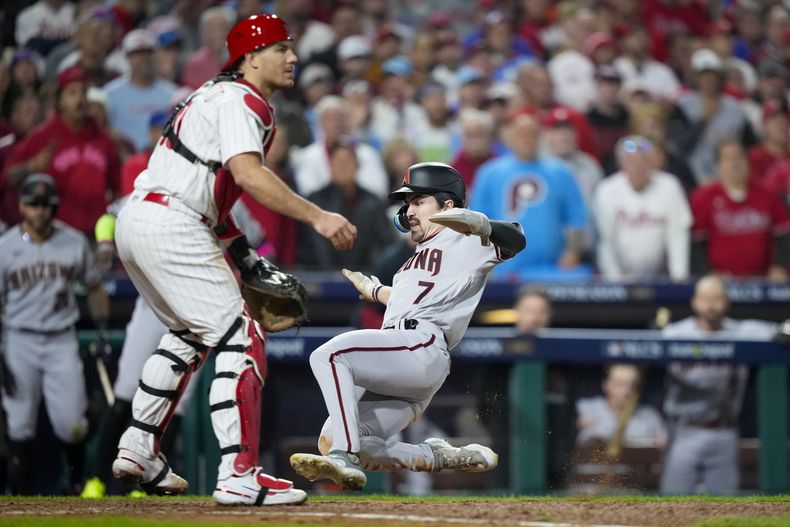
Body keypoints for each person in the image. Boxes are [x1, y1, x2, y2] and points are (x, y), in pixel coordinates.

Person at [110, 14, 357, 506]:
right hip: (174, 223)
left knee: (190, 335)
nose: (292, 58)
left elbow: (216, 191)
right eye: (280, 49)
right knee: (244, 336)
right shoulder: (243, 99)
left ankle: (138, 448)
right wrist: (318, 217)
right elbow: (246, 175)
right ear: (250, 57)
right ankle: (238, 473)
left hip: (142, 219)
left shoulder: (214, 95)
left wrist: (242, 253)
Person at [289, 162, 525, 490]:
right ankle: (436, 456)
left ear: (447, 205)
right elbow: (411, 300)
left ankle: (344, 456)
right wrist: (375, 291)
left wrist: (479, 224)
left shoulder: (464, 237)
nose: (409, 210)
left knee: (329, 356)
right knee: (334, 437)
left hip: (420, 346)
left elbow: (516, 237)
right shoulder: (413, 258)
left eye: (418, 201)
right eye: (407, 203)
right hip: (402, 358)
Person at [0, 174, 110, 495]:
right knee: (19, 424)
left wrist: (102, 331)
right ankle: (20, 497)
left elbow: (95, 287)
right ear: (21, 206)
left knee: (72, 423)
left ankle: (75, 485)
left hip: (61, 338)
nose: (40, 211)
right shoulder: (5, 247)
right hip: (19, 338)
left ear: (55, 207)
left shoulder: (73, 241)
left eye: (46, 205)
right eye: (33, 204)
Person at [660, 275, 777, 495]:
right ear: (694, 302)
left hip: (724, 430)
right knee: (672, 506)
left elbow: (781, 330)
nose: (710, 305)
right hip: (684, 429)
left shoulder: (744, 331)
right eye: (705, 298)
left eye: (717, 298)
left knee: (725, 507)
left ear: (727, 303)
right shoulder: (675, 334)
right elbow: (696, 381)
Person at [2, 66, 121, 237]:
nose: (79, 99)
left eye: (83, 92)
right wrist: (31, 166)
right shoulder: (43, 136)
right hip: (55, 235)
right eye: (72, 93)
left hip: (97, 234)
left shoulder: (103, 138)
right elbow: (8, 178)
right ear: (60, 100)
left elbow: (117, 187)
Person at [470, 112, 589, 281]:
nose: (527, 139)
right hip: (504, 270)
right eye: (522, 134)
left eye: (532, 134)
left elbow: (577, 217)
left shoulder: (560, 172)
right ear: (510, 137)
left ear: (541, 137)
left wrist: (573, 252)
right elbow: (476, 222)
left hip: (553, 271)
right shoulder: (490, 173)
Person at [593, 136, 691, 282]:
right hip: (621, 277)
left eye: (643, 161)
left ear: (652, 163)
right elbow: (605, 241)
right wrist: (615, 279)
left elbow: (677, 235)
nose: (637, 167)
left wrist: (679, 277)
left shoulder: (669, 186)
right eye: (631, 162)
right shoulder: (607, 190)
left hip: (663, 277)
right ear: (622, 165)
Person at [690, 139, 790, 280]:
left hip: (763, 279)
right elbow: (696, 244)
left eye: (739, 157)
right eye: (729, 159)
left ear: (748, 162)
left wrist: (779, 267)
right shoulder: (703, 197)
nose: (735, 163)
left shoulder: (768, 193)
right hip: (721, 282)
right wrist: (708, 274)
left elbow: (784, 236)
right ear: (718, 165)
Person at [576, 364, 666, 448]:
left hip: (633, 463)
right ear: (606, 385)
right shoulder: (584, 408)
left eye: (633, 385)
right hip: (591, 463)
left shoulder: (650, 415)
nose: (627, 390)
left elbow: (663, 446)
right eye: (621, 384)